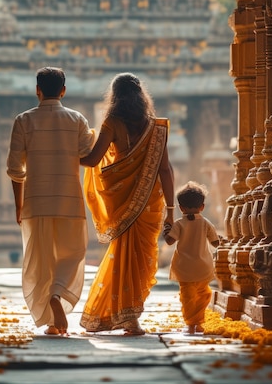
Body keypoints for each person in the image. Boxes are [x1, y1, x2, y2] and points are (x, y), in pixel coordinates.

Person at [79, 72, 175, 336]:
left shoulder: (112, 123)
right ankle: (129, 316)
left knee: (122, 256)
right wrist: (170, 211)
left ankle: (125, 316)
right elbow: (165, 170)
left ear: (115, 97)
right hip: (149, 204)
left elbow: (91, 160)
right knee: (140, 260)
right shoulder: (157, 127)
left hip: (120, 201)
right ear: (141, 96)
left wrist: (68, 148)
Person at [7, 67, 95, 336]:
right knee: (73, 253)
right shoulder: (76, 120)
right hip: (69, 201)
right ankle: (58, 296)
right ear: (64, 91)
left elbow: (15, 169)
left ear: (37, 89)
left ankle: (51, 320)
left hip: (36, 201)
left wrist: (18, 205)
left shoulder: (23, 121)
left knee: (41, 260)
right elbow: (88, 154)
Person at [163, 181, 220, 335]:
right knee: (204, 294)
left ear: (181, 207)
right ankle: (198, 322)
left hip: (185, 268)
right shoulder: (206, 224)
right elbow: (215, 243)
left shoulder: (179, 224)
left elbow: (169, 241)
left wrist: (166, 229)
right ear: (202, 206)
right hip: (203, 268)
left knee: (187, 298)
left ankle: (191, 324)